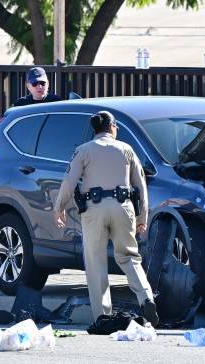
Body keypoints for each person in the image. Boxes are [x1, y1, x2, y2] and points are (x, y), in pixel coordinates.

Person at [54, 110, 159, 326]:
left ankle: (102, 315)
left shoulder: (83, 150)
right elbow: (140, 185)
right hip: (123, 207)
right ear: (111, 127)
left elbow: (69, 181)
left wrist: (59, 207)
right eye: (116, 126)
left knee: (95, 262)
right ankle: (146, 297)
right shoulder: (127, 149)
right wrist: (142, 216)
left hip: (94, 210)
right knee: (129, 257)